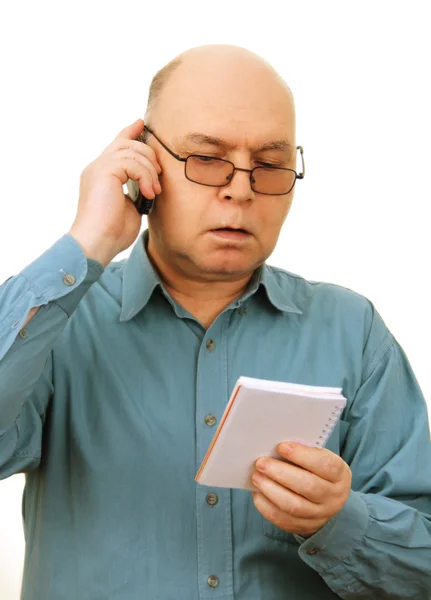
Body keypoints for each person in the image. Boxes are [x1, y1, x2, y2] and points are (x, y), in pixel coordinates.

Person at [0, 44, 430, 600]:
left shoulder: (354, 331)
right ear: (144, 162)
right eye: (207, 158)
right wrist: (87, 241)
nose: (241, 189)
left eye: (270, 164)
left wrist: (340, 520)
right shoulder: (59, 321)